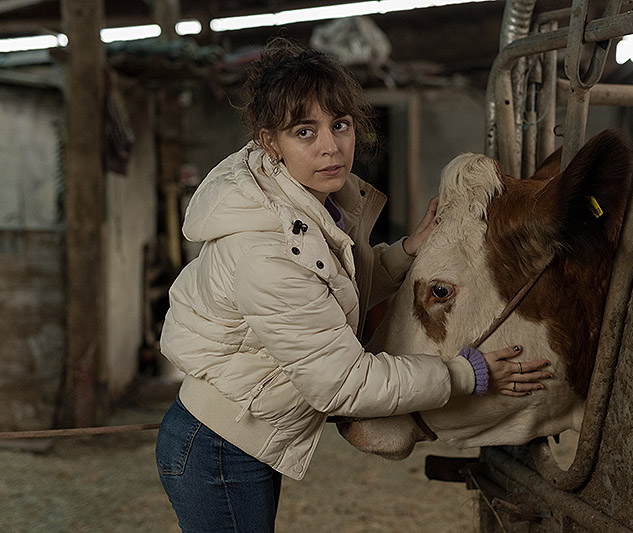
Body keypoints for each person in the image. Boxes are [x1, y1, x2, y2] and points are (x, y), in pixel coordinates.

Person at [155, 37, 552, 532]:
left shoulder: (303, 199)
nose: (331, 146)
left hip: (233, 438)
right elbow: (344, 383)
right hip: (216, 449)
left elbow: (333, 290)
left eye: (339, 125)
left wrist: (408, 252)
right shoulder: (266, 251)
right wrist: (463, 374)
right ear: (269, 142)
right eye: (305, 131)